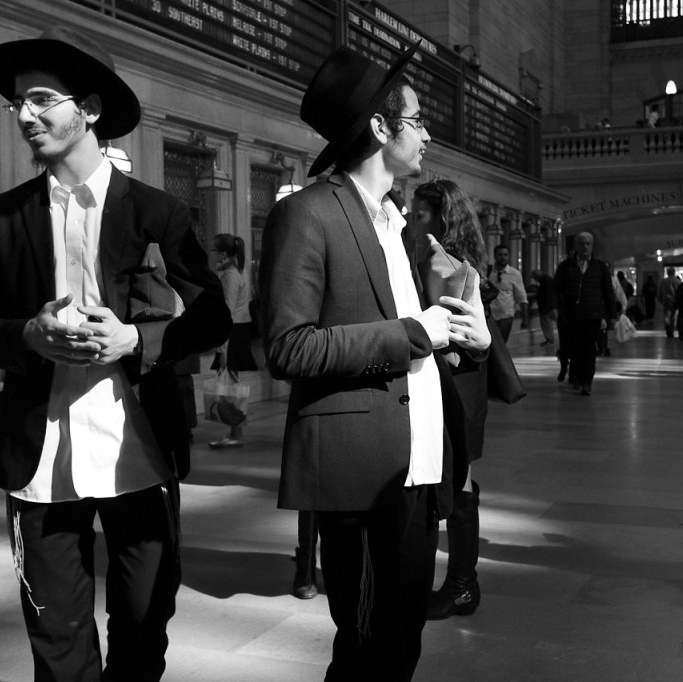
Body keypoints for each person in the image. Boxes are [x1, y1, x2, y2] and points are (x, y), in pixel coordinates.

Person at [0, 27, 230, 681]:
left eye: (42, 99)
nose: (25, 115)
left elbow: (214, 318)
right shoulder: (1, 218)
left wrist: (136, 339)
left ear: (92, 110)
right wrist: (28, 335)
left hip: (139, 451)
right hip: (40, 460)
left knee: (143, 628)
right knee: (57, 639)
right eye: (18, 103)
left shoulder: (158, 214)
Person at [258, 43, 489, 682]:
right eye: (416, 120)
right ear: (381, 129)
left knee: (403, 638)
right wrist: (416, 331)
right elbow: (289, 346)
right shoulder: (306, 214)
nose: (427, 134)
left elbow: (431, 337)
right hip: (359, 466)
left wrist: (471, 336)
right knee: (366, 646)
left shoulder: (401, 227)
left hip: (418, 463)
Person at [410, 179, 492, 621]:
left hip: (455, 385)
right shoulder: (457, 258)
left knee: (459, 487)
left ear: (442, 217)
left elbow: (457, 336)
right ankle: (463, 584)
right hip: (464, 384)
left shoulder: (441, 263)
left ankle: (462, 586)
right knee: (460, 483)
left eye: (420, 213)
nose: (412, 218)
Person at [553, 232, 617, 396]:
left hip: (592, 314)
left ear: (592, 246)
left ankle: (586, 381)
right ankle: (576, 375)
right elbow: (555, 288)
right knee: (574, 348)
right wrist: (553, 308)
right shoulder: (566, 266)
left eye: (588, 243)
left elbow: (608, 292)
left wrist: (612, 315)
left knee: (589, 348)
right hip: (571, 315)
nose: (585, 247)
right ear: (576, 246)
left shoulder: (600, 267)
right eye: (582, 243)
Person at [208, 233, 257, 448]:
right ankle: (235, 431)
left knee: (231, 386)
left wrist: (223, 348)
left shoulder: (229, 275)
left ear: (224, 253)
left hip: (232, 332)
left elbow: (226, 311)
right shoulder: (240, 270)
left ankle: (235, 433)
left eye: (214, 250)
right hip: (240, 330)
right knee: (233, 384)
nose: (212, 254)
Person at [487, 244, 529, 342]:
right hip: (489, 315)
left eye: (505, 255)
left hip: (506, 315)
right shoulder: (488, 272)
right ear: (495, 256)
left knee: (501, 343)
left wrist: (525, 318)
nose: (503, 257)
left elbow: (522, 297)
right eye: (500, 255)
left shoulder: (515, 274)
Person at [530, 268, 558, 347]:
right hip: (550, 306)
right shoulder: (547, 280)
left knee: (546, 323)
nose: (535, 279)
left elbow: (545, 295)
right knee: (548, 324)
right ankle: (550, 339)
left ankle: (549, 339)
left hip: (546, 307)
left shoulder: (545, 281)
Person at [658, 266, 680, 338]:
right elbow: (679, 292)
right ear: (674, 272)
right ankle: (672, 330)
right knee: (673, 316)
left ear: (667, 273)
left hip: (666, 301)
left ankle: (668, 329)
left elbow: (660, 292)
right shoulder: (677, 281)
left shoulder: (663, 281)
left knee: (666, 315)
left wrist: (660, 299)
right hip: (675, 301)